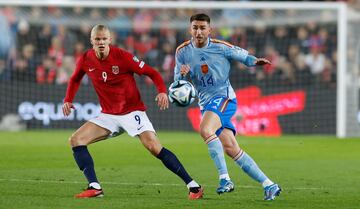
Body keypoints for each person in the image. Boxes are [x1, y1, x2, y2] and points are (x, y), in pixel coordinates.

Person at [62, 24, 203, 199]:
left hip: (132, 112)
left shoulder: (123, 57)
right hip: (108, 115)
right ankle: (94, 187)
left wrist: (161, 91)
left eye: (104, 39)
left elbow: (153, 73)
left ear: (109, 40)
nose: (100, 42)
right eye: (97, 39)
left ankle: (193, 186)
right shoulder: (86, 59)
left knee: (154, 147)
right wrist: (68, 99)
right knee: (76, 140)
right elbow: (75, 79)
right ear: (91, 41)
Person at [173, 13, 281, 201]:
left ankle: (225, 179)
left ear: (209, 30)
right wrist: (182, 76)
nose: (198, 31)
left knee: (205, 129)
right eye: (195, 28)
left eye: (202, 28)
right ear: (190, 29)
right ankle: (269, 185)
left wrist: (255, 61)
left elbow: (244, 56)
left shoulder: (221, 48)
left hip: (224, 98)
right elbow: (177, 83)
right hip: (205, 104)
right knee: (231, 148)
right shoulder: (182, 52)